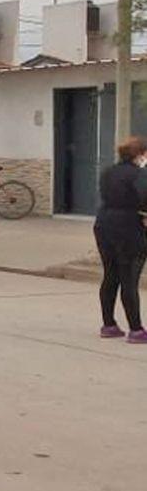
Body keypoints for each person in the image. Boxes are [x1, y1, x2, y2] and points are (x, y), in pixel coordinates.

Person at [94, 136, 147, 342]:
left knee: (110, 274)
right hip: (128, 227)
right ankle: (136, 329)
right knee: (129, 277)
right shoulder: (139, 174)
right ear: (140, 154)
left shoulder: (108, 172)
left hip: (104, 224)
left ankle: (108, 325)